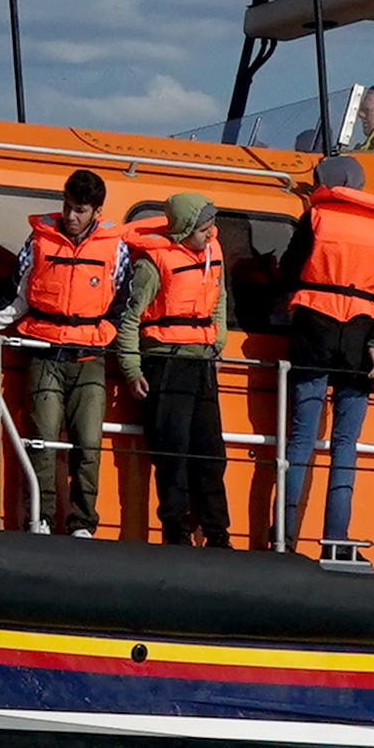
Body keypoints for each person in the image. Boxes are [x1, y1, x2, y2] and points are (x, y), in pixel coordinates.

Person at [265, 154, 374, 562]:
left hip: (314, 335)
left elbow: (289, 271)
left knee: (300, 441)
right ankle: (337, 542)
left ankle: (283, 538)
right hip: (361, 344)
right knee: (345, 444)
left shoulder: (317, 218)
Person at [7, 170, 131, 534]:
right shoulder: (38, 242)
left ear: (96, 211)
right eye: (67, 207)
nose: (71, 216)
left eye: (79, 210)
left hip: (90, 358)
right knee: (42, 439)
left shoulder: (115, 248)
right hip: (45, 353)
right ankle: (40, 518)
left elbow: (122, 300)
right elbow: (18, 292)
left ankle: (83, 523)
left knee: (89, 445)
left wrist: (103, 333)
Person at [124, 192, 233, 547]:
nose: (211, 234)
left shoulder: (212, 254)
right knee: (172, 455)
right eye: (203, 228)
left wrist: (217, 340)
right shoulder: (152, 265)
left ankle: (217, 533)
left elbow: (219, 299)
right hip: (166, 363)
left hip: (201, 363)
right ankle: (176, 532)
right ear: (185, 228)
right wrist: (131, 368)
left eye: (211, 226)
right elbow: (129, 319)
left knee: (211, 454)